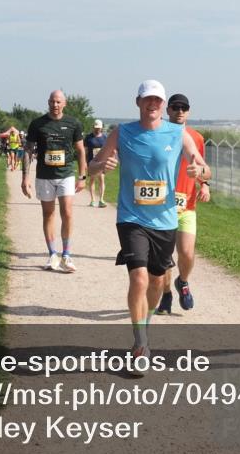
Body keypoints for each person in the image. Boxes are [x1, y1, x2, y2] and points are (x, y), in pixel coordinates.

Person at [88, 80, 211, 370]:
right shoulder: (123, 132)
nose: (152, 104)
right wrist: (100, 166)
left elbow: (205, 168)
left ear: (162, 104)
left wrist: (199, 170)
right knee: (139, 279)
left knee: (157, 281)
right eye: (147, 99)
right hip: (131, 218)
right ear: (138, 102)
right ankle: (140, 342)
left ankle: (147, 321)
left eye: (157, 100)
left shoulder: (178, 133)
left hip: (165, 220)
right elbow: (92, 167)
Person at [21, 91, 87, 273]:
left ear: (64, 103)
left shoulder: (73, 123)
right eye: (51, 101)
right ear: (48, 103)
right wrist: (25, 178)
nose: (54, 105)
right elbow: (28, 151)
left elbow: (81, 150)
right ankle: (52, 254)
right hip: (44, 175)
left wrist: (82, 177)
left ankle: (66, 254)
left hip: (66, 174)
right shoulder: (37, 124)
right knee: (48, 214)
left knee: (67, 212)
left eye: (58, 102)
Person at [155, 93, 209, 315]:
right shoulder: (158, 134)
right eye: (175, 107)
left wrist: (204, 184)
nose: (179, 111)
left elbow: (201, 167)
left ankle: (183, 282)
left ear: (188, 111)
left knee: (186, 253)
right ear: (167, 110)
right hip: (160, 206)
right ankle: (166, 294)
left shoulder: (196, 137)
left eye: (183, 108)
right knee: (165, 258)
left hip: (187, 205)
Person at [84, 119, 108, 207]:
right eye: (96, 128)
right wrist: (85, 162)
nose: (97, 129)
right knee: (92, 179)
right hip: (91, 162)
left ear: (101, 128)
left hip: (102, 162)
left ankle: (101, 199)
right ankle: (93, 200)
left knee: (102, 179)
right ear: (93, 127)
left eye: (99, 128)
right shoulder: (88, 137)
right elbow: (85, 150)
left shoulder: (105, 137)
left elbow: (107, 149)